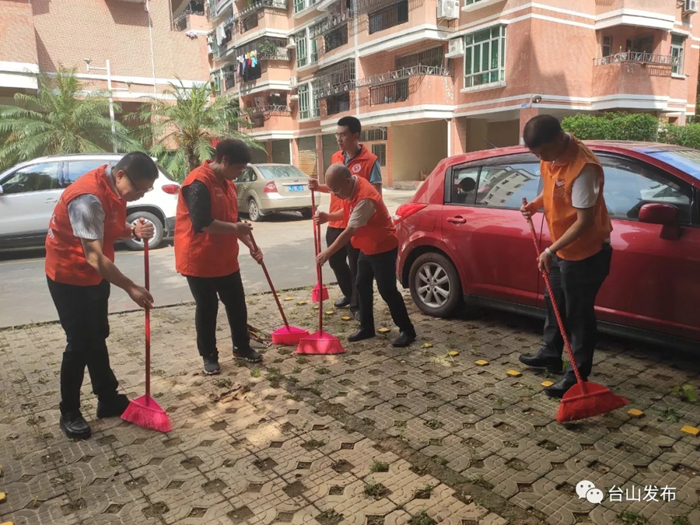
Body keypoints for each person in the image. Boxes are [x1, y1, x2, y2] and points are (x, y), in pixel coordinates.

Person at [45, 152, 159, 440]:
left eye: (146, 191)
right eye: (139, 189)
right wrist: (131, 286)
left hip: (96, 275)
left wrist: (133, 230)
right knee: (79, 344)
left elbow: (107, 226)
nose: (140, 195)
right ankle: (69, 412)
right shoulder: (87, 198)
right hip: (69, 277)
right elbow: (94, 256)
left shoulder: (114, 189)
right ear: (121, 176)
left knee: (97, 335)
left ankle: (107, 398)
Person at [518, 115, 613, 398]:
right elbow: (553, 192)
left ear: (559, 139)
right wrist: (535, 205)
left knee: (578, 315)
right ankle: (551, 353)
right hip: (563, 249)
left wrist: (549, 250)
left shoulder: (584, 168)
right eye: (536, 154)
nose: (541, 158)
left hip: (586, 254)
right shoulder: (551, 156)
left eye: (543, 152)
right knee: (554, 302)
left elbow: (584, 222)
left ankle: (576, 375)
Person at [174, 139, 264, 376]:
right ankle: (209, 355)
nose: (239, 174)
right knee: (208, 307)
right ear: (224, 160)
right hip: (199, 259)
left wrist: (251, 245)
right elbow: (202, 223)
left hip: (225, 258)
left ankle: (241, 347)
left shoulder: (228, 184)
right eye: (238, 168)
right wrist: (236, 229)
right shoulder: (198, 183)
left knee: (237, 304)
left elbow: (234, 220)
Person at [314, 163, 416, 348]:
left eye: (336, 190)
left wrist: (327, 253)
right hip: (367, 247)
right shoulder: (352, 187)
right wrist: (328, 217)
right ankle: (367, 328)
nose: (335, 195)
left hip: (383, 247)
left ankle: (407, 330)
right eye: (331, 191)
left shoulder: (365, 198)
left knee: (387, 291)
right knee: (361, 285)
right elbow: (348, 213)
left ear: (347, 181)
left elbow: (349, 231)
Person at [308, 116, 382, 320]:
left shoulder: (371, 161)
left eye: (343, 135)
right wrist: (318, 187)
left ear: (355, 135)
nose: (339, 139)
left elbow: (375, 196)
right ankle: (350, 295)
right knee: (335, 261)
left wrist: (330, 215)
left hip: (356, 223)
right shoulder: (336, 157)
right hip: (335, 220)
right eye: (337, 135)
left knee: (357, 266)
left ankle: (358, 306)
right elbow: (334, 187)